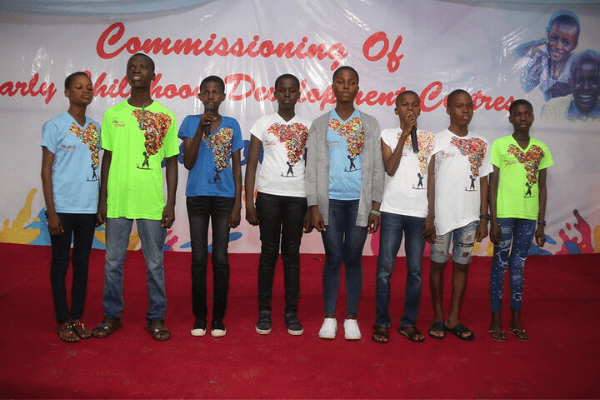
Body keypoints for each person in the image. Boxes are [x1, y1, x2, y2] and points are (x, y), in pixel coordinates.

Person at [92, 53, 179, 341]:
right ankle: (111, 315)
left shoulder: (165, 116)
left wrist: (170, 203)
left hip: (151, 202)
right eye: (132, 67)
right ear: (127, 75)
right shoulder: (113, 114)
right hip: (117, 200)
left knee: (154, 264)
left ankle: (156, 317)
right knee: (112, 262)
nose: (137, 70)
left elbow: (172, 162)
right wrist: (102, 199)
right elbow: (107, 158)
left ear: (154, 75)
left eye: (143, 67)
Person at [306, 66, 384, 340]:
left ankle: (351, 317)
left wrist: (375, 207)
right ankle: (329, 317)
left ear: (358, 88)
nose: (346, 86)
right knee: (333, 258)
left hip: (358, 205)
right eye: (341, 82)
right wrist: (313, 206)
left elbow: (377, 168)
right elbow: (311, 168)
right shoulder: (320, 124)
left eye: (351, 82)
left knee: (352, 258)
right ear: (333, 87)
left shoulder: (369, 124)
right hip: (330, 204)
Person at [424, 89, 492, 341]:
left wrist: (483, 218)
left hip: (470, 219)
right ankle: (438, 316)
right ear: (448, 109)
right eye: (459, 106)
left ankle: (453, 318)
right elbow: (430, 179)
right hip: (442, 218)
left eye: (469, 106)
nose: (465, 110)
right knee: (438, 265)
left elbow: (484, 181)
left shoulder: (482, 143)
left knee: (462, 267)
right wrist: (430, 215)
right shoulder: (437, 140)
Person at [245, 74, 311, 336]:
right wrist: (250, 204)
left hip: (298, 198)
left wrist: (312, 206)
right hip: (268, 196)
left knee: (292, 254)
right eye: (282, 90)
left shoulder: (307, 126)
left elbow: (313, 168)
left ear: (298, 95)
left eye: (292, 90)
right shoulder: (263, 123)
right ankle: (264, 311)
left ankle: (291, 312)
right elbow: (251, 165)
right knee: (269, 252)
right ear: (274, 94)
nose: (287, 95)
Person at [179, 75, 243, 338]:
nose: (211, 97)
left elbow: (237, 167)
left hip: (224, 198)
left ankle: (218, 317)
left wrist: (238, 205)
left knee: (220, 258)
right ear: (200, 96)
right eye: (206, 92)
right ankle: (199, 316)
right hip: (197, 196)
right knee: (198, 258)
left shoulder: (232, 125)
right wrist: (199, 129)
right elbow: (188, 162)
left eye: (216, 92)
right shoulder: (190, 122)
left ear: (223, 97)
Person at [372, 90, 436, 344]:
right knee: (384, 270)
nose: (410, 109)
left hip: (419, 214)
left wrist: (431, 213)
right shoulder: (387, 135)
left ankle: (408, 323)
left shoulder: (430, 139)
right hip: (392, 212)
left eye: (414, 105)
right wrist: (404, 136)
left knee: (415, 272)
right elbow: (390, 168)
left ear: (420, 109)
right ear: (396, 110)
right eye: (404, 105)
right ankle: (382, 322)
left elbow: (431, 178)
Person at [41, 72, 100, 342]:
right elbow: (46, 171)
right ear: (67, 93)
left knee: (82, 265)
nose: (85, 91)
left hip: (88, 208)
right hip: (62, 207)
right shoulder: (55, 125)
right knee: (60, 264)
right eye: (78, 87)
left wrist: (100, 204)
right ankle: (62, 320)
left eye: (89, 87)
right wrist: (51, 212)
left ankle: (77, 317)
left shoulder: (96, 128)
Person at [489, 99, 554, 341]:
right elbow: (493, 183)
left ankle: (516, 320)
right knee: (499, 266)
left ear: (533, 117)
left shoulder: (541, 148)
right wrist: (493, 220)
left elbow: (543, 187)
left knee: (518, 267)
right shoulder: (500, 145)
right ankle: (496, 319)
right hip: (504, 215)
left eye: (527, 114)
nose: (523, 118)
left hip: (528, 217)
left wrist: (541, 224)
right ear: (510, 118)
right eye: (518, 114)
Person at [519, 11, 580, 101]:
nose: (558, 46)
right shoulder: (540, 59)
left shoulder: (578, 67)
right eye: (554, 38)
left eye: (566, 43)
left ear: (574, 45)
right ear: (548, 35)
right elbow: (523, 89)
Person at [542, 50, 600, 122]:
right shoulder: (552, 108)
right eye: (579, 81)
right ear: (570, 83)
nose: (586, 87)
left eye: (594, 81)